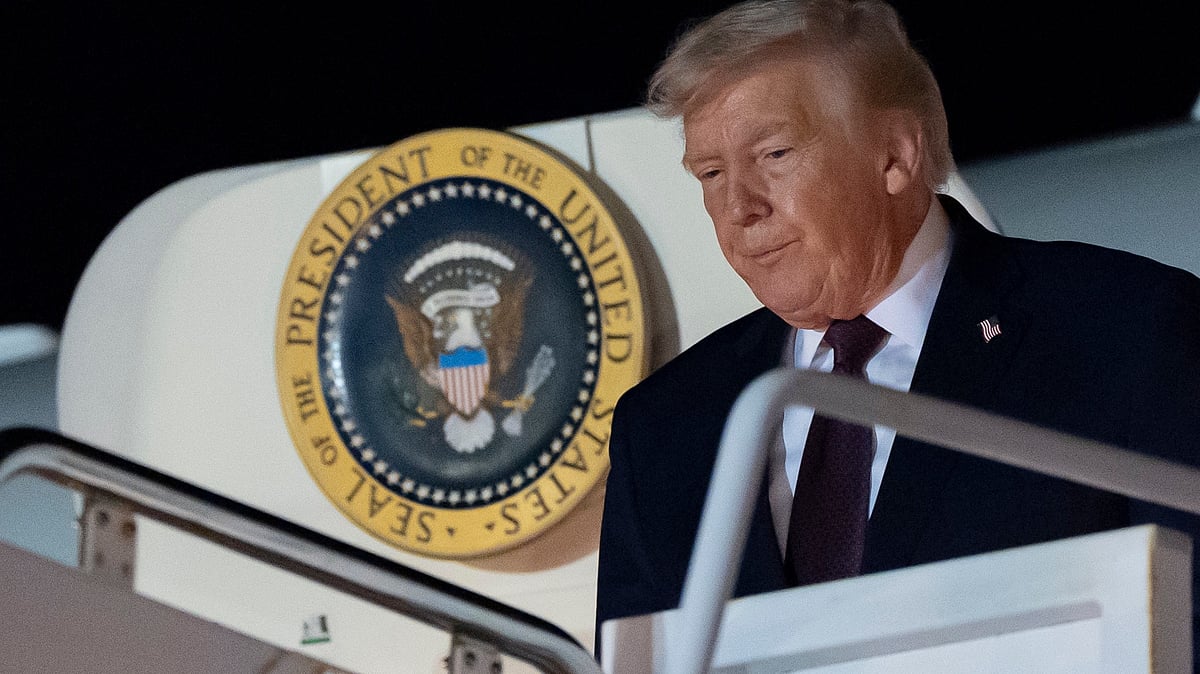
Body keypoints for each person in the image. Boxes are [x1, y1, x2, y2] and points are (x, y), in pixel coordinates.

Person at [595, 0, 1200, 664]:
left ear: (895, 154)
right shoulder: (665, 429)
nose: (739, 207)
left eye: (773, 153)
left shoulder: (1127, 330)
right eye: (711, 175)